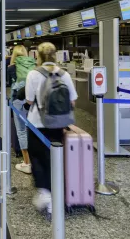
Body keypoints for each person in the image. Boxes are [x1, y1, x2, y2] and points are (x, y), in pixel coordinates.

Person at [25, 42, 78, 214]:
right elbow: (73, 101)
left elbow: (29, 101)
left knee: (38, 158)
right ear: (55, 55)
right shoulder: (64, 74)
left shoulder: (33, 74)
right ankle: (57, 192)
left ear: (38, 56)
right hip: (57, 124)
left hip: (37, 123)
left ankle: (45, 193)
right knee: (54, 157)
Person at [8, 45, 35, 174]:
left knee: (22, 131)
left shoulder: (11, 67)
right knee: (34, 130)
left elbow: (10, 85)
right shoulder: (33, 66)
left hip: (18, 101)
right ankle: (37, 160)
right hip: (32, 101)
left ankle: (27, 163)